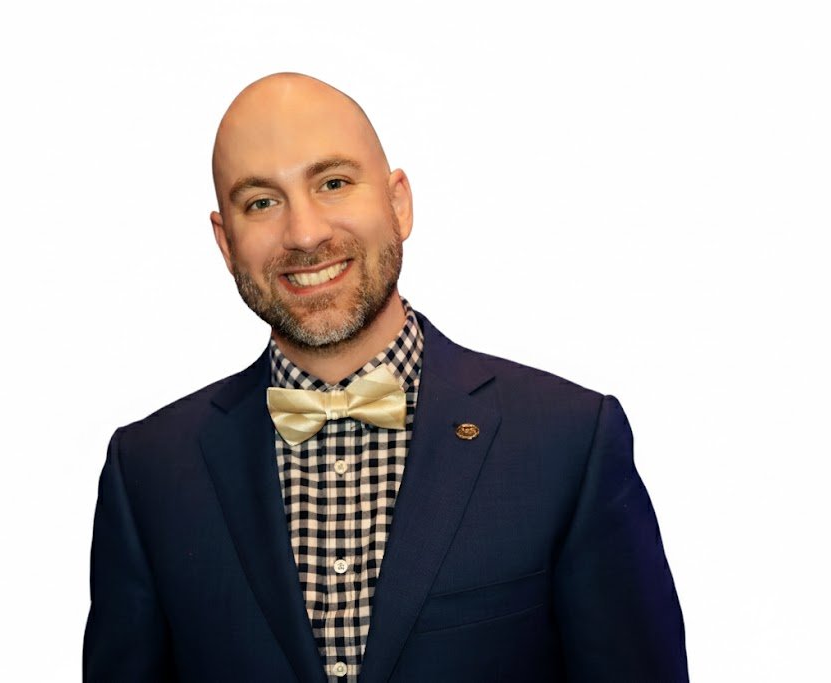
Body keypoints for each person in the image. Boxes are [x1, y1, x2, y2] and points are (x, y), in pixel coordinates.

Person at [83, 73, 687, 682]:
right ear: (225, 241)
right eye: (262, 202)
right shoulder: (149, 472)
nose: (306, 233)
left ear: (398, 203)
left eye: (334, 183)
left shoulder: (568, 441)